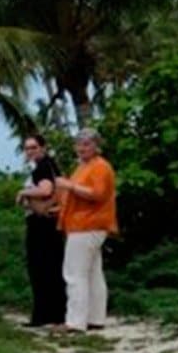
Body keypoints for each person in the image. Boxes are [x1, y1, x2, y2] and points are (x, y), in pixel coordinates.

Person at [55, 129, 118, 333]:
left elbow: (97, 194)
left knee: (75, 273)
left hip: (87, 224)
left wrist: (69, 186)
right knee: (92, 274)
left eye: (86, 144)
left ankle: (75, 322)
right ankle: (95, 318)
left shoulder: (100, 167)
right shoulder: (85, 166)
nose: (82, 148)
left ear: (96, 146)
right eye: (79, 144)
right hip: (84, 224)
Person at [15, 135, 65, 327]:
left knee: (40, 269)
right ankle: (54, 313)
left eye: (34, 147)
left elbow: (45, 190)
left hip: (41, 224)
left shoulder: (42, 167)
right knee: (52, 267)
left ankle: (44, 314)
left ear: (43, 148)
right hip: (49, 224)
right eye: (27, 148)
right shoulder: (49, 166)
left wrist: (23, 192)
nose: (30, 152)